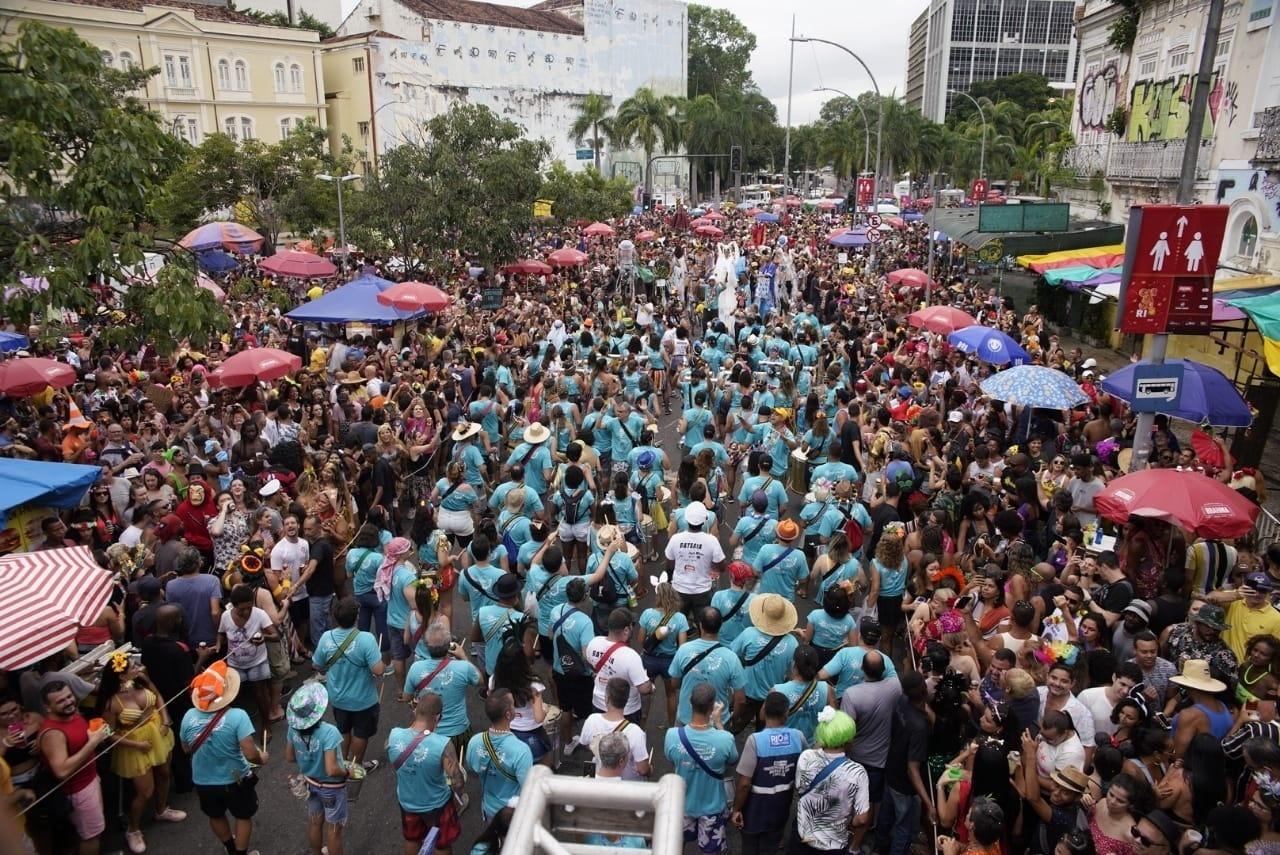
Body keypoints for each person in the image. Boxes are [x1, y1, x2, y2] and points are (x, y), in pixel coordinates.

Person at [96, 652, 184, 853]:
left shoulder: (141, 681)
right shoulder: (111, 703)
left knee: (164, 774)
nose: (138, 669)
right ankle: (133, 830)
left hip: (159, 735)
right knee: (145, 792)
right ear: (121, 676)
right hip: (135, 746)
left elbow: (158, 696)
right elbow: (108, 734)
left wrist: (165, 718)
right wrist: (137, 745)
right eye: (133, 668)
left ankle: (161, 809)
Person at [180, 661, 268, 855]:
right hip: (234, 779)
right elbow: (250, 753)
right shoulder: (238, 716)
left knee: (215, 814)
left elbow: (186, 748)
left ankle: (229, 847)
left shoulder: (188, 716)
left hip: (203, 780)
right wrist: (262, 757)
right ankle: (240, 852)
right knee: (243, 816)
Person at [311, 597, 385, 770]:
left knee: (343, 730)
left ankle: (342, 764)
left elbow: (317, 665)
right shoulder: (366, 639)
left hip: (338, 698)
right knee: (361, 733)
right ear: (356, 617)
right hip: (363, 700)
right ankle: (355, 766)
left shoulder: (326, 638)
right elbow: (379, 670)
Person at [387, 691, 464, 855]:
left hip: (407, 802)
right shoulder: (443, 745)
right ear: (437, 718)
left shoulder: (394, 735)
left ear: (415, 711)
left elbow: (390, 753)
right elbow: (457, 781)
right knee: (441, 844)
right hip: (437, 805)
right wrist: (458, 794)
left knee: (412, 839)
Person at [665, 682, 738, 855]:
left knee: (675, 845)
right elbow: (733, 759)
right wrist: (719, 723)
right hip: (712, 808)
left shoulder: (672, 735)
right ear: (713, 706)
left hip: (682, 804)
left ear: (690, 703)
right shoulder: (725, 739)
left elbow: (671, 759)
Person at [38, 681, 110, 855]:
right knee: (91, 835)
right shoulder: (53, 733)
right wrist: (93, 742)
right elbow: (61, 771)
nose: (69, 702)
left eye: (69, 696)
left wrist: (97, 734)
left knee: (91, 831)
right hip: (78, 791)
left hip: (90, 779)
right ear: (48, 708)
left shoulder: (71, 714)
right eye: (61, 701)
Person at [731, 691, 806, 855]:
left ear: (763, 710)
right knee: (770, 847)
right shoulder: (798, 737)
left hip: (754, 811)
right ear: (786, 713)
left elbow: (744, 784)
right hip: (780, 809)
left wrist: (736, 809)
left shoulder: (755, 740)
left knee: (750, 848)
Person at [790, 707, 871, 855]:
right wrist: (849, 823)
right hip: (833, 843)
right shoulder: (857, 772)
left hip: (802, 835)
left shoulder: (806, 757)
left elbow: (799, 788)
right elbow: (862, 819)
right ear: (849, 739)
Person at [283, 683, 350, 855]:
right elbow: (331, 769)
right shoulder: (329, 732)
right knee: (334, 831)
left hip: (310, 782)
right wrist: (346, 772)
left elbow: (290, 757)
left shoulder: (293, 729)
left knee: (315, 821)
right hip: (331, 787)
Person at [402, 618, 480, 752]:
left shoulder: (416, 668)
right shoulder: (463, 667)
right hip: (458, 731)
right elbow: (480, 681)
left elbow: (406, 697)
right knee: (455, 767)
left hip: (428, 730)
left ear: (426, 646)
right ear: (450, 645)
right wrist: (464, 657)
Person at [839, 650, 901, 817]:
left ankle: (855, 825)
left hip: (856, 757)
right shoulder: (895, 687)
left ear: (862, 668)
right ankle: (869, 826)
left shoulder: (851, 695)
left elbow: (846, 730)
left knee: (852, 796)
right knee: (872, 798)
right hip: (880, 759)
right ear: (883, 670)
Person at [877, 671, 933, 855]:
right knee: (904, 827)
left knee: (886, 815)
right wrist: (928, 803)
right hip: (905, 785)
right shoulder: (919, 727)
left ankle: (880, 845)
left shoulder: (901, 701)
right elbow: (913, 769)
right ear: (924, 691)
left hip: (891, 770)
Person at [465, 689, 533, 823]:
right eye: (513, 705)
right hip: (513, 813)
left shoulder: (475, 742)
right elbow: (528, 789)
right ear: (508, 714)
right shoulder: (521, 750)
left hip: (489, 809)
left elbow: (472, 771)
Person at [575, 676, 651, 779]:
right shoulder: (636, 732)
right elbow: (642, 770)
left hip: (600, 778)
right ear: (626, 700)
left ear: (607, 698)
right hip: (628, 786)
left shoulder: (592, 720)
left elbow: (585, 744)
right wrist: (650, 768)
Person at [585, 608, 654, 721]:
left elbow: (588, 661)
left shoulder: (594, 643)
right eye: (632, 625)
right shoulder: (631, 656)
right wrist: (651, 686)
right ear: (626, 630)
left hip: (599, 704)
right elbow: (644, 689)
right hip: (626, 710)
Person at [665, 502, 725, 618]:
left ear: (687, 520)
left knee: (679, 623)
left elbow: (669, 565)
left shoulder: (675, 539)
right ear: (704, 520)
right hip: (702, 590)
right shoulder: (711, 540)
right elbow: (721, 566)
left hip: (679, 588)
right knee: (703, 624)